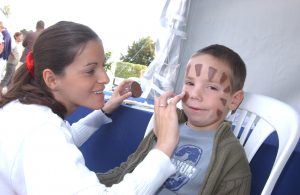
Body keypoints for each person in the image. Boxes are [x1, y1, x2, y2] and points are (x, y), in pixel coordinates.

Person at [0, 21, 184, 194]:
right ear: (52, 79)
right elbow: (50, 142)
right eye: (90, 70)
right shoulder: (43, 132)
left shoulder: (22, 108)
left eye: (103, 66)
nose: (104, 78)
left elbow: (66, 137)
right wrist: (164, 147)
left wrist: (105, 110)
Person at [97, 44, 252, 194]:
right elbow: (128, 169)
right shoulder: (167, 127)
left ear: (234, 100)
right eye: (190, 83)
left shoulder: (231, 159)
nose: (195, 94)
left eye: (211, 87)